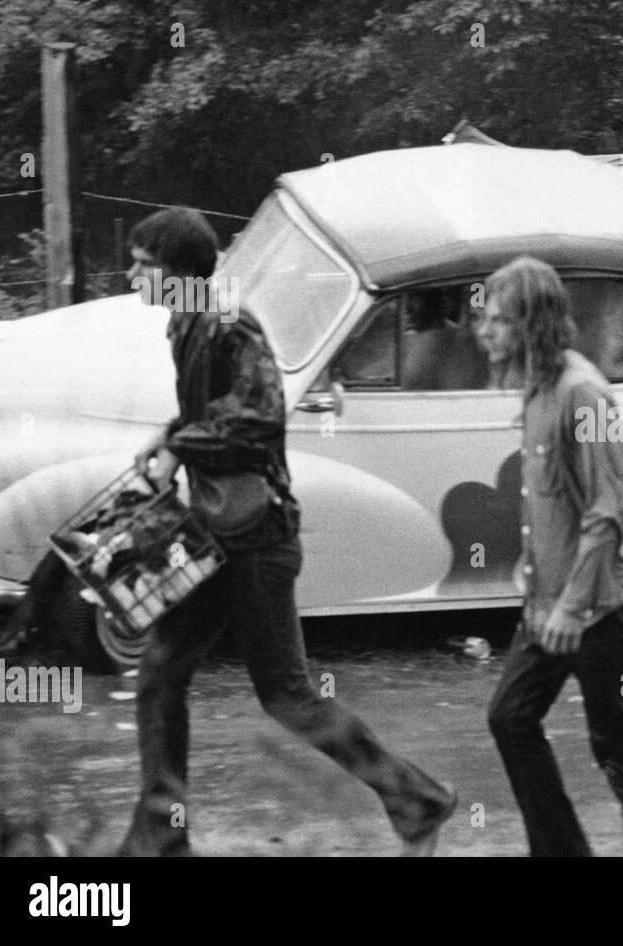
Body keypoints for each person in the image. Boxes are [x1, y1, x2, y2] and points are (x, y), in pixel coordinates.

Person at [121, 207, 456, 855]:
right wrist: (169, 438)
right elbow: (217, 412)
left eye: (144, 262)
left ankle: (417, 800)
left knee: (288, 697)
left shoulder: (225, 323)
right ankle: (162, 837)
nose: (132, 272)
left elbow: (259, 417)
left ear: (180, 270)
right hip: (219, 535)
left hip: (256, 540)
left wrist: (176, 446)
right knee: (161, 674)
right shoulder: (187, 321)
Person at [479, 256, 623, 857]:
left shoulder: (581, 394)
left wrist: (572, 605)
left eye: (498, 322)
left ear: (534, 324)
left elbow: (609, 510)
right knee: (510, 717)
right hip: (551, 603)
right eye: (484, 319)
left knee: (617, 744)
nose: (484, 332)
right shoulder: (537, 388)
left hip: (603, 603)